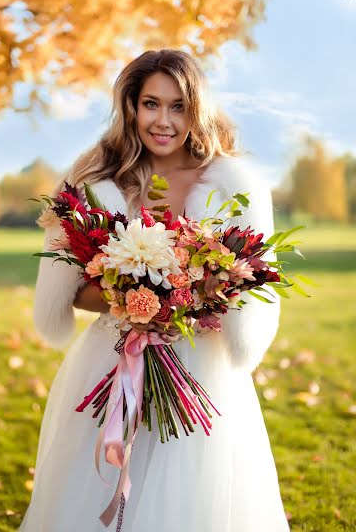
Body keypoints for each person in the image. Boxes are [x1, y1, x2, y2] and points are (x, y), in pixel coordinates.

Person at [19, 49, 290, 531]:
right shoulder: (95, 179)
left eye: (178, 106)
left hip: (201, 369)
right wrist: (132, 291)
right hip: (110, 362)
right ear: (131, 107)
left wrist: (185, 292)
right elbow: (75, 291)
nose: (163, 120)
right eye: (150, 104)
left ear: (196, 111)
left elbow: (246, 286)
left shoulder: (234, 185)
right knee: (94, 491)